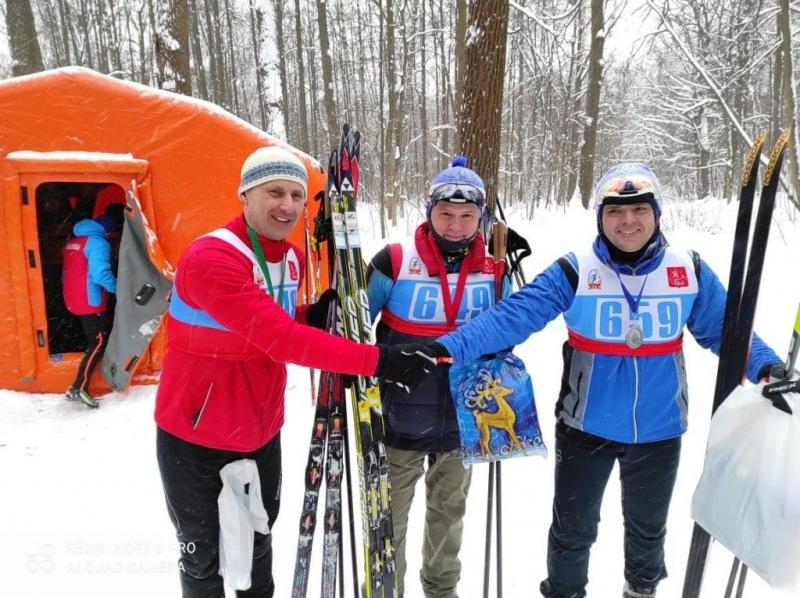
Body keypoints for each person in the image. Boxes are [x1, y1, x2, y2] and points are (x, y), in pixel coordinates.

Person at [386, 163, 784, 598]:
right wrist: (444, 347)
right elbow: (510, 318)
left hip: (660, 430)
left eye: (639, 210)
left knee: (648, 533)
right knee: (572, 534)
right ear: (600, 217)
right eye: (615, 211)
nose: (628, 221)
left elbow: (729, 333)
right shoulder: (576, 271)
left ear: (656, 213)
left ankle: (641, 591)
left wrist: (767, 367)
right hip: (585, 428)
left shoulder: (686, 270)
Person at [153, 145, 438, 598]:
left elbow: (275, 321)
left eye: (296, 195)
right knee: (202, 559)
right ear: (244, 195)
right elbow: (279, 340)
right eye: (273, 192)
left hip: (260, 429)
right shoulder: (211, 258)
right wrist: (379, 361)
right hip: (196, 436)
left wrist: (311, 313)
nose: (286, 205)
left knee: (259, 547)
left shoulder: (289, 258)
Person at [366, 156, 508, 598]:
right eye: (445, 213)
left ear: (480, 217)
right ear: (429, 211)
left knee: (450, 514)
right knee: (389, 516)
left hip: (465, 420)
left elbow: (508, 331)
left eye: (467, 216)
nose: (455, 225)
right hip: (399, 418)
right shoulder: (394, 261)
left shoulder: (495, 266)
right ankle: (386, 589)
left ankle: (441, 589)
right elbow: (354, 329)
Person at [62, 203, 124, 408]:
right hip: (90, 301)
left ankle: (78, 387)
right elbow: (100, 275)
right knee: (98, 342)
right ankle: (79, 387)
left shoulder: (75, 240)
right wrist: (120, 289)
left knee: (94, 340)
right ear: (109, 231)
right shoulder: (98, 242)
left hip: (73, 299)